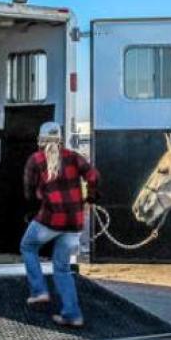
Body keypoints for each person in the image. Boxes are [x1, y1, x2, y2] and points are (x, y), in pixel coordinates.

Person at [20, 122, 100, 327]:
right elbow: (93, 176)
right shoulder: (74, 157)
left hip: (50, 219)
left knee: (28, 246)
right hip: (74, 222)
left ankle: (39, 291)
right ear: (61, 139)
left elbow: (29, 192)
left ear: (40, 139)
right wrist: (90, 197)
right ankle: (72, 315)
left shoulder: (36, 159)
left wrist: (31, 213)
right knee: (62, 269)